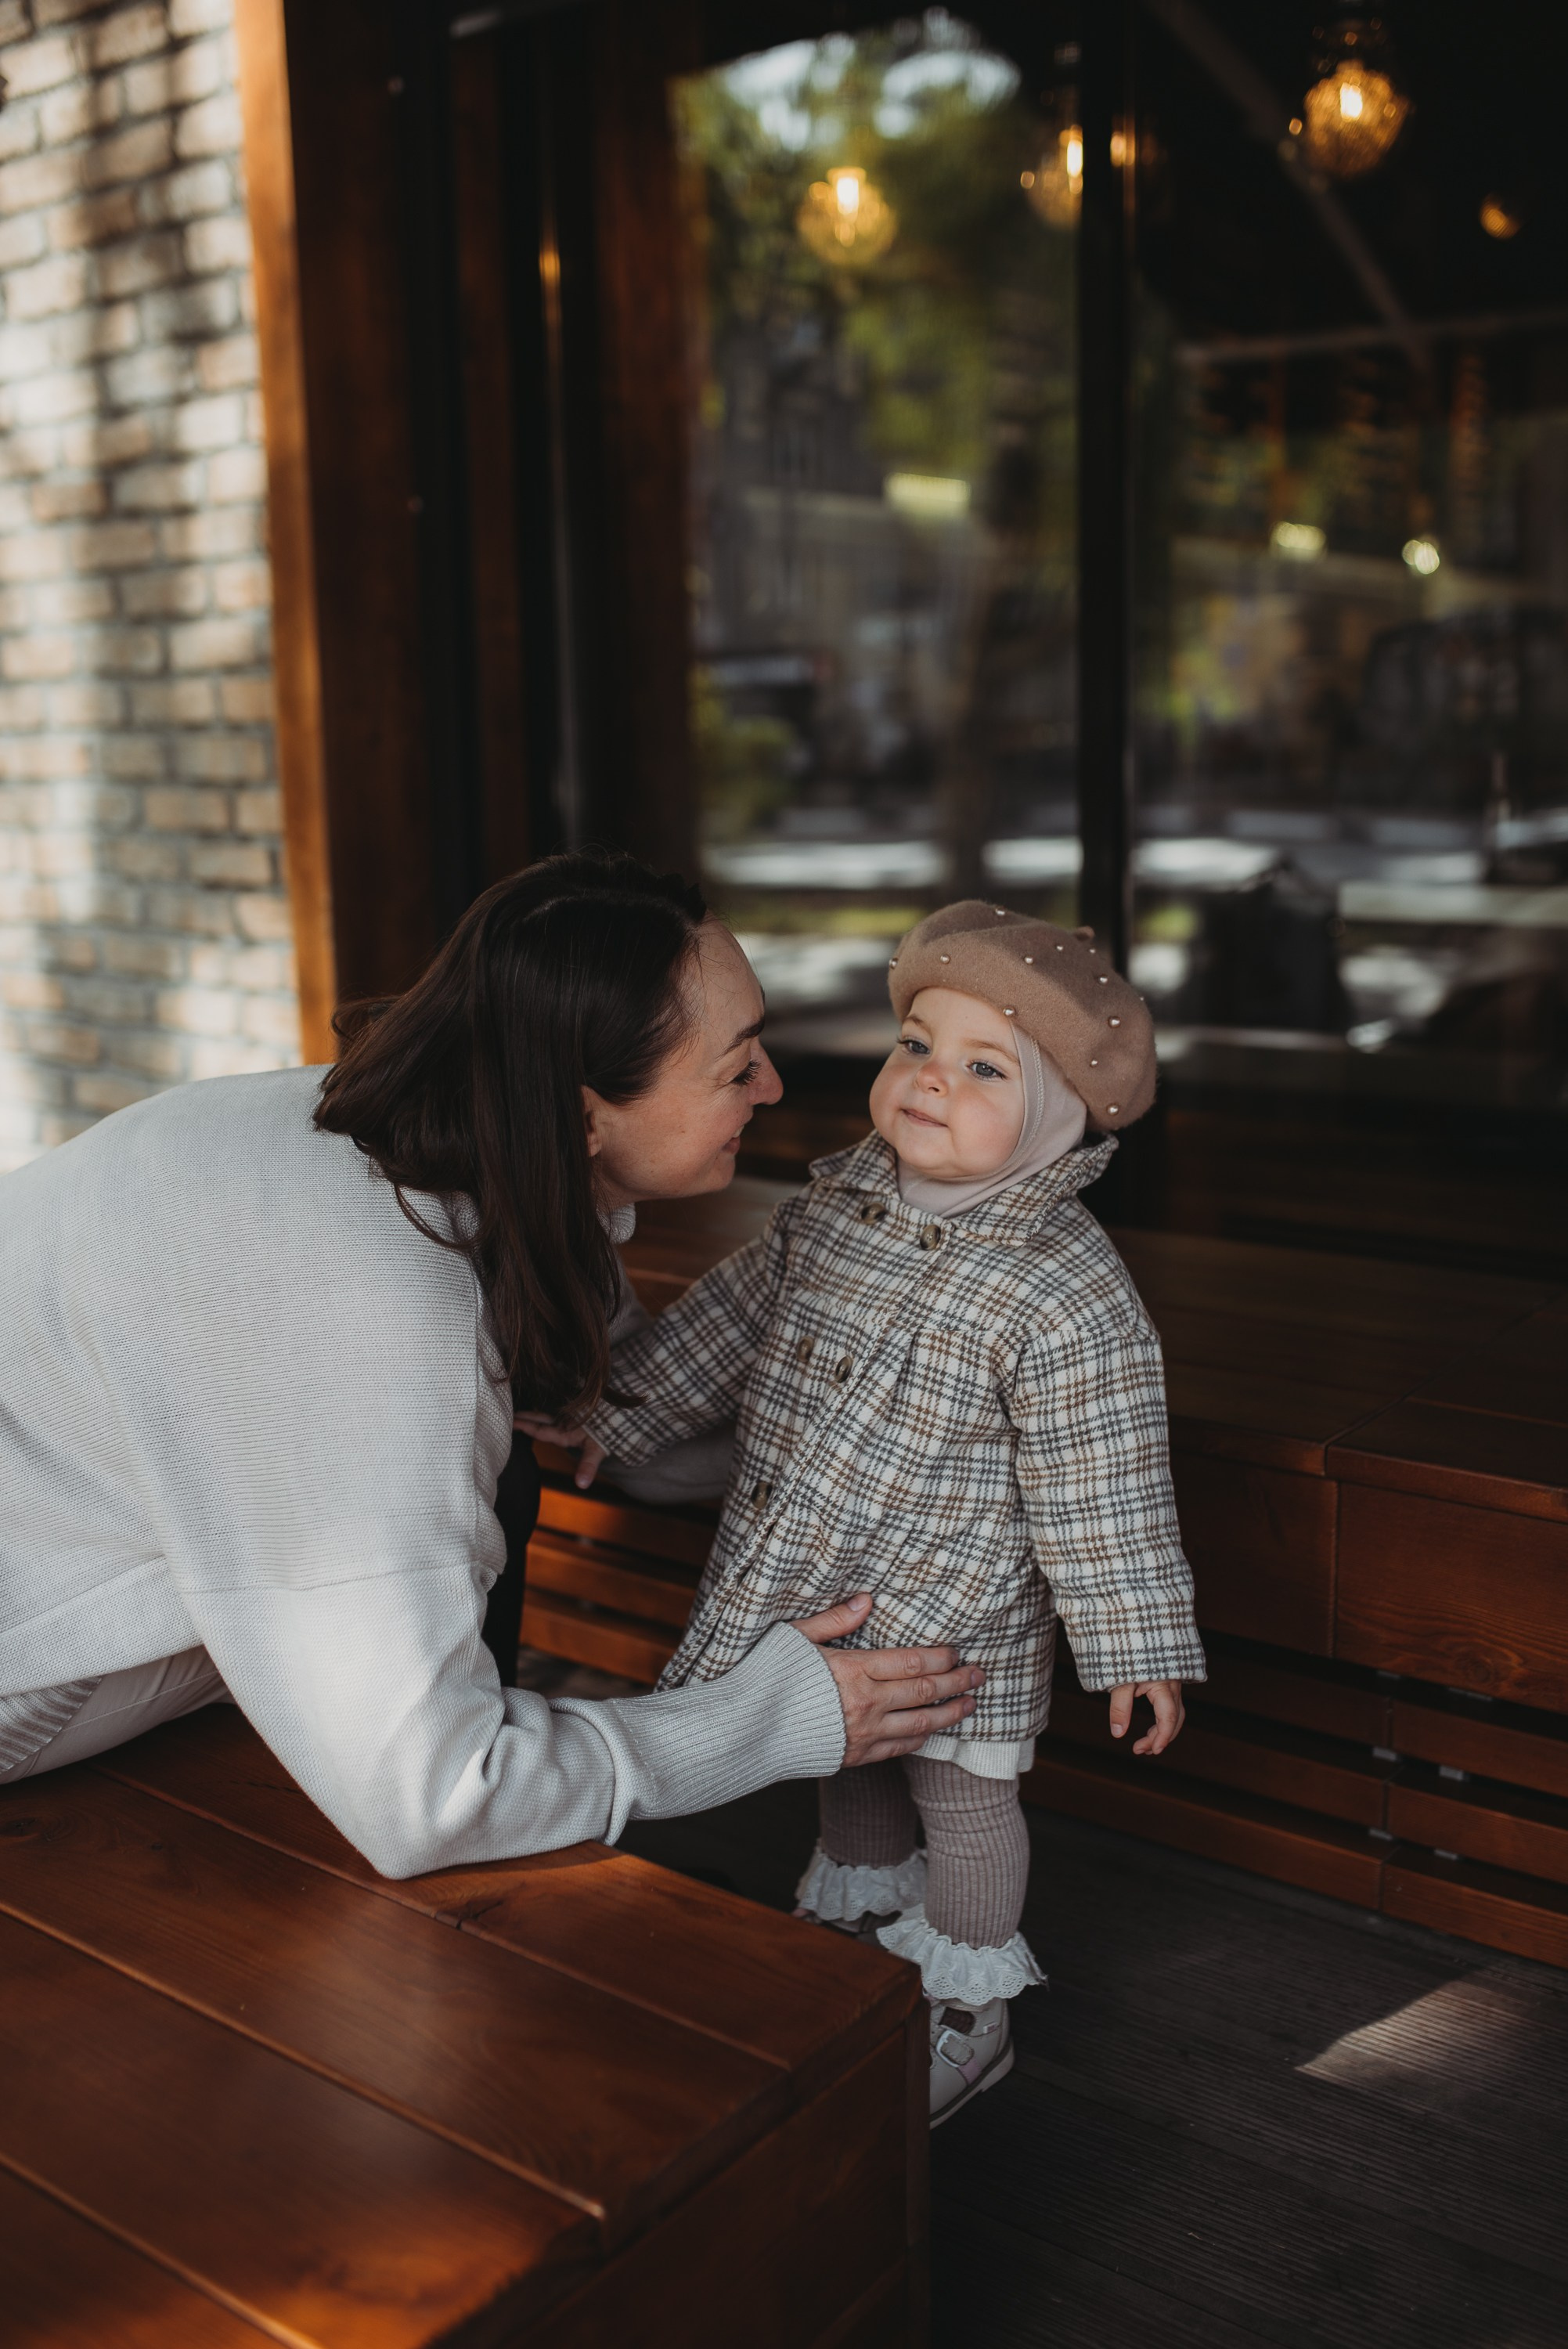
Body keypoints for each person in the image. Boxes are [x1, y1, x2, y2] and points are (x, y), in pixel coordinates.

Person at [0, 855, 986, 1869]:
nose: (773, 1086)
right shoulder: (371, 1307)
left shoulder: (448, 1143)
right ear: (584, 1111)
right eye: (737, 1067)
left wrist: (914, 1430)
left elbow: (625, 1418)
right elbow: (432, 1795)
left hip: (85, 1545)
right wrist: (767, 1717)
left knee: (503, 1476)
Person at [553, 900, 1206, 2123]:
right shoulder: (836, 1209)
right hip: (818, 1572)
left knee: (962, 1804)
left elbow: (1103, 1477)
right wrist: (618, 1423)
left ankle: (969, 2005)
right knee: (839, 1762)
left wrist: (1137, 1644)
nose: (928, 1080)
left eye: (982, 1067)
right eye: (916, 1044)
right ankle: (854, 1931)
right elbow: (720, 1336)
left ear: (1054, 1118)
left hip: (957, 1609)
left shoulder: (1064, 1291)